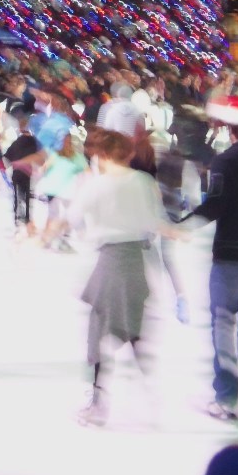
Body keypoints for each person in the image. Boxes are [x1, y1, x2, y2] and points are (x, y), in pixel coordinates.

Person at [68, 129, 167, 427]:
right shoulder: (144, 181)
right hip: (136, 260)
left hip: (110, 260)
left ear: (103, 155)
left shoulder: (96, 185)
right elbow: (154, 221)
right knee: (133, 331)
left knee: (99, 330)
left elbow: (74, 218)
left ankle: (99, 402)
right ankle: (147, 398)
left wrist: (90, 231)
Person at [185, 98, 238, 423]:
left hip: (228, 253)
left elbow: (215, 205)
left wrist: (182, 227)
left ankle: (227, 395)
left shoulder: (225, 162)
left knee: (222, 322)